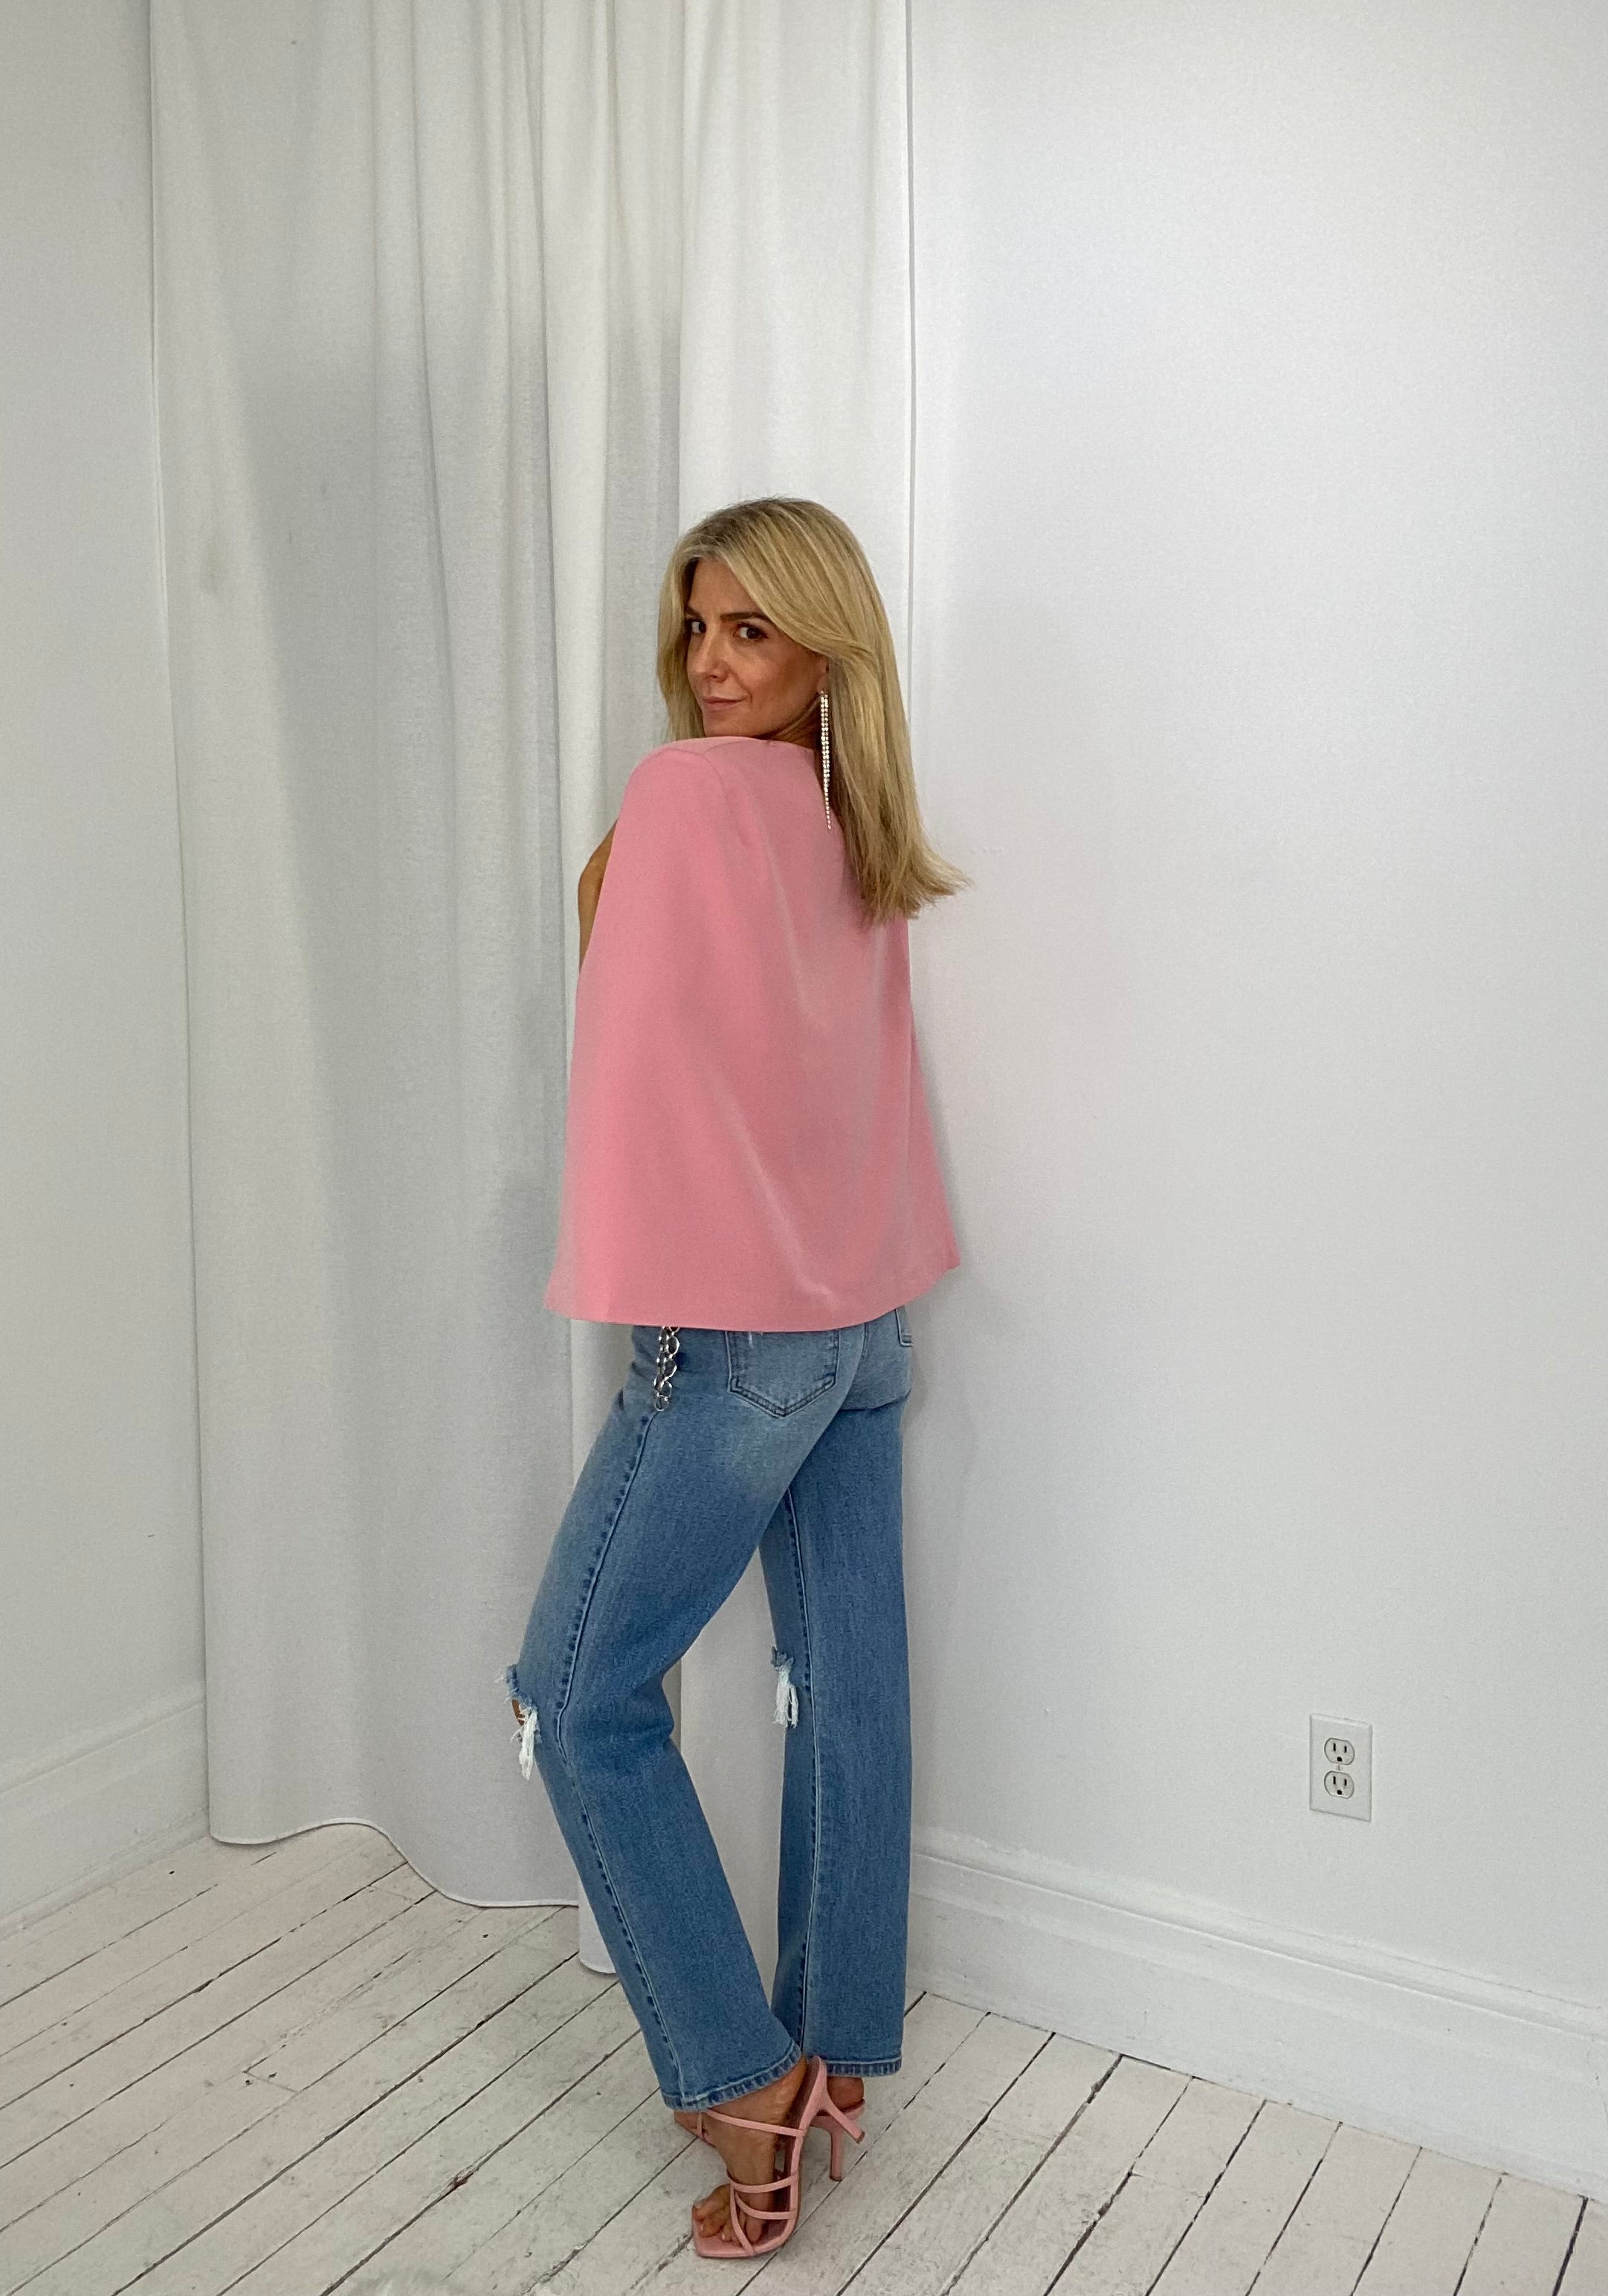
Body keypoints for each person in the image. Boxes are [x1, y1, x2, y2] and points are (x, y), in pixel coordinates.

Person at [506, 497, 967, 2260]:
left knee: (576, 1691)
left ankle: (744, 2080)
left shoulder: (687, 798)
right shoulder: (857, 819)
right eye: (698, 626)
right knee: (848, 1684)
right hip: (863, 1319)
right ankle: (835, 2053)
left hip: (739, 1337)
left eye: (752, 629)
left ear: (823, 647)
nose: (710, 661)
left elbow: (624, 1027)